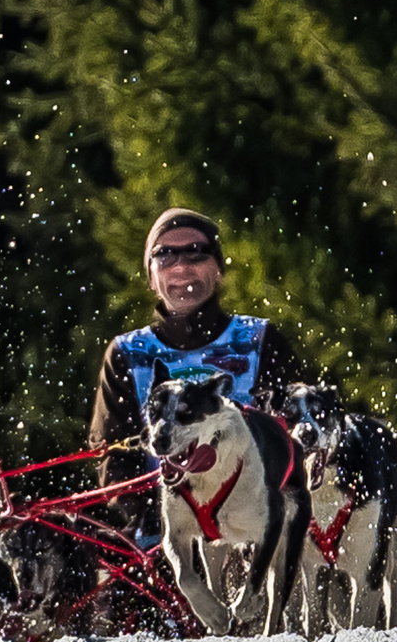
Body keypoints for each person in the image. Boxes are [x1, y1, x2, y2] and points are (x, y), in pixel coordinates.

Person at [87, 207, 321, 544]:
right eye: (164, 255)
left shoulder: (261, 340)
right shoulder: (126, 353)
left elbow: (299, 435)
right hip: (166, 530)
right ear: (152, 278)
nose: (182, 266)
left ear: (218, 269)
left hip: (255, 525)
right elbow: (111, 451)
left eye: (196, 252)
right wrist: (144, 510)